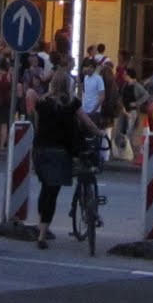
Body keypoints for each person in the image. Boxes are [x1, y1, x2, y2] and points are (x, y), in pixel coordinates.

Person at [32, 71, 101, 249]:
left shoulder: (42, 102)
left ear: (52, 84)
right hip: (60, 151)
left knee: (45, 187)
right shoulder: (72, 103)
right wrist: (99, 133)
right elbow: (87, 122)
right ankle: (42, 234)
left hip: (41, 150)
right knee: (52, 192)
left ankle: (41, 224)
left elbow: (38, 126)